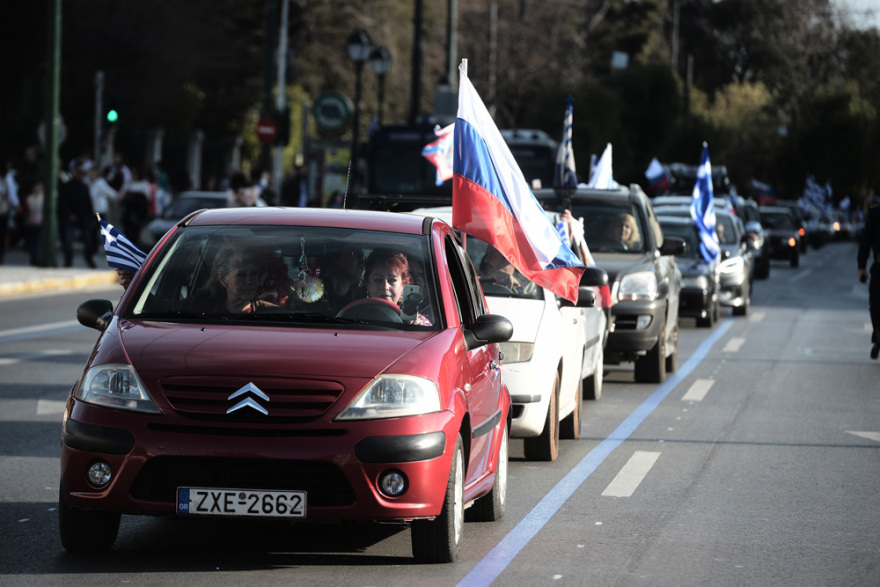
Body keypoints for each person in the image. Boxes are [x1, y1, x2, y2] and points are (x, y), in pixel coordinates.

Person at [362, 248, 431, 325]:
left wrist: (416, 330)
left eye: (392, 280)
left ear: (403, 285)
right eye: (378, 280)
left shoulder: (419, 323)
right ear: (368, 284)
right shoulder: (353, 317)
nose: (385, 287)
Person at [857, 195, 880, 359]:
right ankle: (878, 336)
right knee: (875, 305)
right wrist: (861, 267)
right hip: (879, 266)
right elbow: (865, 241)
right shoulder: (876, 214)